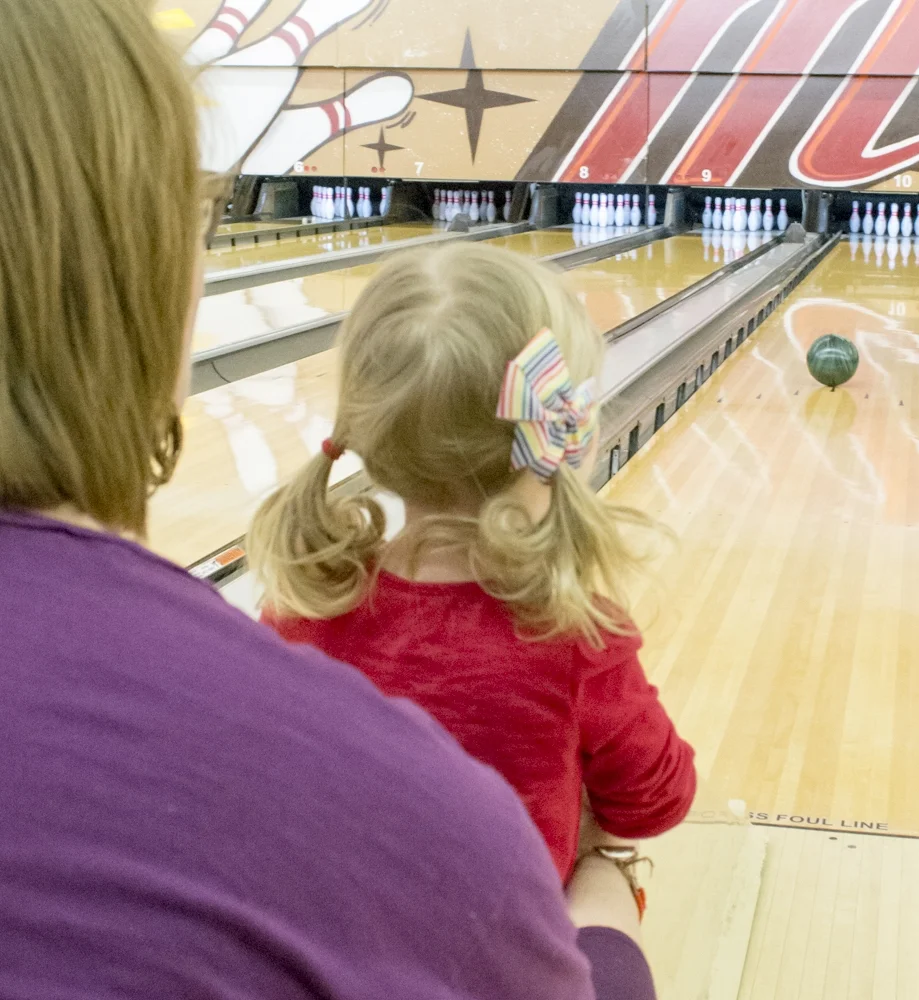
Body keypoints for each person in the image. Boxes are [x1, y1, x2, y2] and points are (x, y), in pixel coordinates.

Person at [0, 1, 654, 997]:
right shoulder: (427, 818)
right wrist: (608, 913)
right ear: (150, 279)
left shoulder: (305, 611)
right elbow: (649, 792)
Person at [248, 241, 697, 892]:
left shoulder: (302, 602)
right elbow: (658, 799)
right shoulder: (574, 635)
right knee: (611, 871)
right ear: (567, 434)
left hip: (331, 952)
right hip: (502, 963)